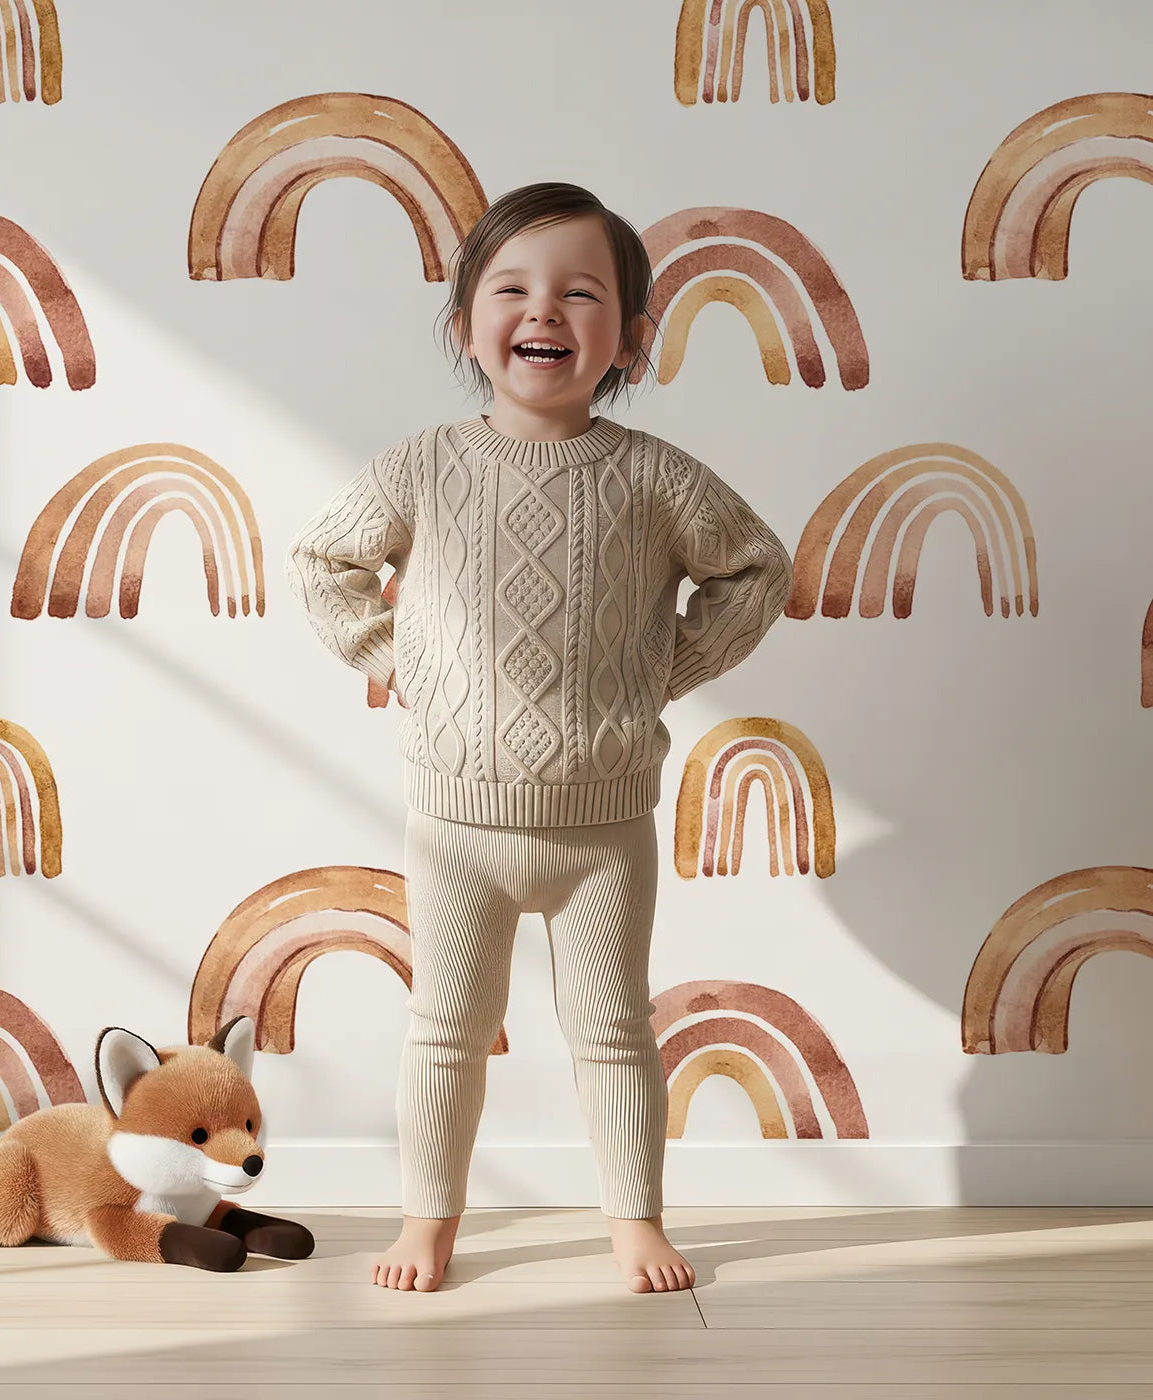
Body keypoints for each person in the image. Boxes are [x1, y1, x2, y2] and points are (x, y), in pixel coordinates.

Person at [286, 181, 793, 1294]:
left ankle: (633, 1224)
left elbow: (755, 568)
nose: (543, 311)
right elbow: (321, 561)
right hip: (453, 820)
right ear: (468, 320)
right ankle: (427, 1221)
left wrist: (668, 669)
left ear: (628, 336)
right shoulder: (420, 465)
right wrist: (396, 659)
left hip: (603, 824)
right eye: (511, 288)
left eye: (579, 292)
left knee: (612, 1029)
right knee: (444, 1030)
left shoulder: (652, 476)